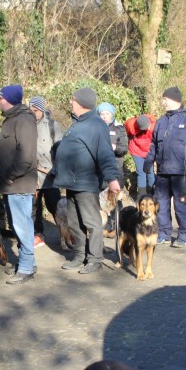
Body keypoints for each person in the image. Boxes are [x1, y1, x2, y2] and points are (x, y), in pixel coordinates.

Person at [53, 87, 120, 274]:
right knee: (74, 223)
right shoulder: (77, 123)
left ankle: (95, 259)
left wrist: (112, 179)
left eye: (73, 99)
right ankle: (80, 255)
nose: (70, 102)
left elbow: (105, 154)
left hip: (86, 182)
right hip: (71, 183)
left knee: (92, 222)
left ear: (82, 103)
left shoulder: (96, 125)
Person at [144, 86, 186, 248]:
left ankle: (184, 235)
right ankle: (164, 233)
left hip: (181, 172)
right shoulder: (161, 122)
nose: (163, 103)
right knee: (161, 204)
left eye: (165, 99)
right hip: (162, 171)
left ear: (174, 100)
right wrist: (149, 161)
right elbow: (153, 145)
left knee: (181, 204)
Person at [0, 84, 38, 285]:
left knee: (22, 226)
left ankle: (26, 268)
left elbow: (26, 155)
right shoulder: (12, 119)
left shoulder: (24, 120)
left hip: (18, 184)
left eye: (0, 98)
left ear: (10, 99)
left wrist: (11, 176)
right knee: (17, 225)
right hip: (11, 184)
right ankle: (27, 262)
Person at [29, 95, 62, 248]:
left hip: (50, 174)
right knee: (34, 208)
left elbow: (60, 149)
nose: (32, 113)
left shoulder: (52, 125)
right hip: (32, 174)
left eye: (35, 110)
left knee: (56, 206)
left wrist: (57, 170)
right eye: (30, 110)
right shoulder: (25, 125)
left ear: (41, 110)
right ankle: (38, 235)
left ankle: (64, 233)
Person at [124, 112, 156, 197]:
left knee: (150, 171)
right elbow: (125, 134)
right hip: (136, 150)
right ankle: (141, 196)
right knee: (141, 172)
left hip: (149, 151)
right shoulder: (131, 125)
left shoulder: (155, 125)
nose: (146, 129)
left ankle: (153, 194)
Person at [97, 102, 129, 185]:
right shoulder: (95, 127)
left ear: (111, 114)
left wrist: (115, 148)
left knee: (115, 191)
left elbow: (124, 149)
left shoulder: (119, 128)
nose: (104, 116)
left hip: (115, 166)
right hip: (99, 167)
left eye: (107, 114)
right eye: (102, 114)